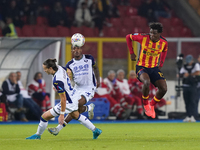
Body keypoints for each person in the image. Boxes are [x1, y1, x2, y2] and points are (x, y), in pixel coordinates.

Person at [26, 59, 102, 140]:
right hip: (74, 95)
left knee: (44, 117)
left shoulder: (57, 81)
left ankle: (38, 135)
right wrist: (65, 82)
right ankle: (95, 130)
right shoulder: (59, 68)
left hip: (68, 101)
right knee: (75, 115)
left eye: (45, 69)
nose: (44, 70)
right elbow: (68, 71)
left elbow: (63, 98)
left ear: (51, 68)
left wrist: (62, 115)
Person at [47, 34, 100, 136]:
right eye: (74, 48)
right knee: (74, 109)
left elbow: (96, 68)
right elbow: (66, 77)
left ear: (81, 49)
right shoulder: (69, 64)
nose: (76, 50)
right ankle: (88, 108)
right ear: (71, 50)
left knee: (75, 105)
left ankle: (58, 129)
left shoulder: (89, 58)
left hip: (89, 88)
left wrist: (98, 80)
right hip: (77, 88)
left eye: (78, 48)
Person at [126, 22, 168, 119]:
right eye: (151, 32)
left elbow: (164, 51)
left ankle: (151, 105)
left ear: (159, 34)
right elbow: (128, 37)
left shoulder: (164, 42)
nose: (152, 35)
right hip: (141, 67)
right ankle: (145, 104)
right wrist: (131, 52)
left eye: (154, 33)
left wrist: (161, 64)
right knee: (146, 82)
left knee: (164, 89)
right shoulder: (143, 37)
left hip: (154, 68)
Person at [179, 55, 200, 122]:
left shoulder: (196, 65)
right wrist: (184, 75)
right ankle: (188, 116)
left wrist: (189, 74)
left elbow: (198, 72)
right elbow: (180, 74)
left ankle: (194, 116)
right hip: (185, 86)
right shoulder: (184, 66)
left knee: (193, 101)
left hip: (193, 86)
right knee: (187, 102)